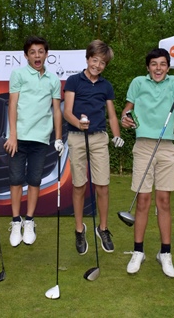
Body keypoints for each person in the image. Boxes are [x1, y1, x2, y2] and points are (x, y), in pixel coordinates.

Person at [120, 48, 174, 277]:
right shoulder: (138, 82)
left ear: (168, 67)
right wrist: (124, 117)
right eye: (154, 64)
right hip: (144, 145)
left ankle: (165, 253)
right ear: (148, 67)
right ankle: (138, 251)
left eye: (162, 64)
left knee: (164, 201)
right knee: (143, 200)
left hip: (166, 146)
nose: (158, 68)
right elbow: (127, 109)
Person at [63, 40, 124, 255]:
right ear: (88, 58)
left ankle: (103, 228)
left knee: (102, 186)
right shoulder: (73, 81)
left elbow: (113, 115)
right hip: (77, 137)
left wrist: (116, 136)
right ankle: (80, 229)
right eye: (95, 60)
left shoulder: (106, 86)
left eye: (102, 63)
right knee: (79, 186)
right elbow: (66, 111)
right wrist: (77, 123)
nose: (97, 65)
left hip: (98, 138)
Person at [4, 36, 63, 247]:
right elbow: (12, 105)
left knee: (35, 180)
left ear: (46, 54)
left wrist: (57, 138)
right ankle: (16, 221)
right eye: (32, 52)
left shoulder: (53, 80)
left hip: (41, 138)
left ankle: (29, 221)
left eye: (40, 51)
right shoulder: (18, 74)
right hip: (18, 138)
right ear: (26, 55)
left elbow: (56, 110)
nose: (37, 55)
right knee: (16, 179)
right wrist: (12, 135)